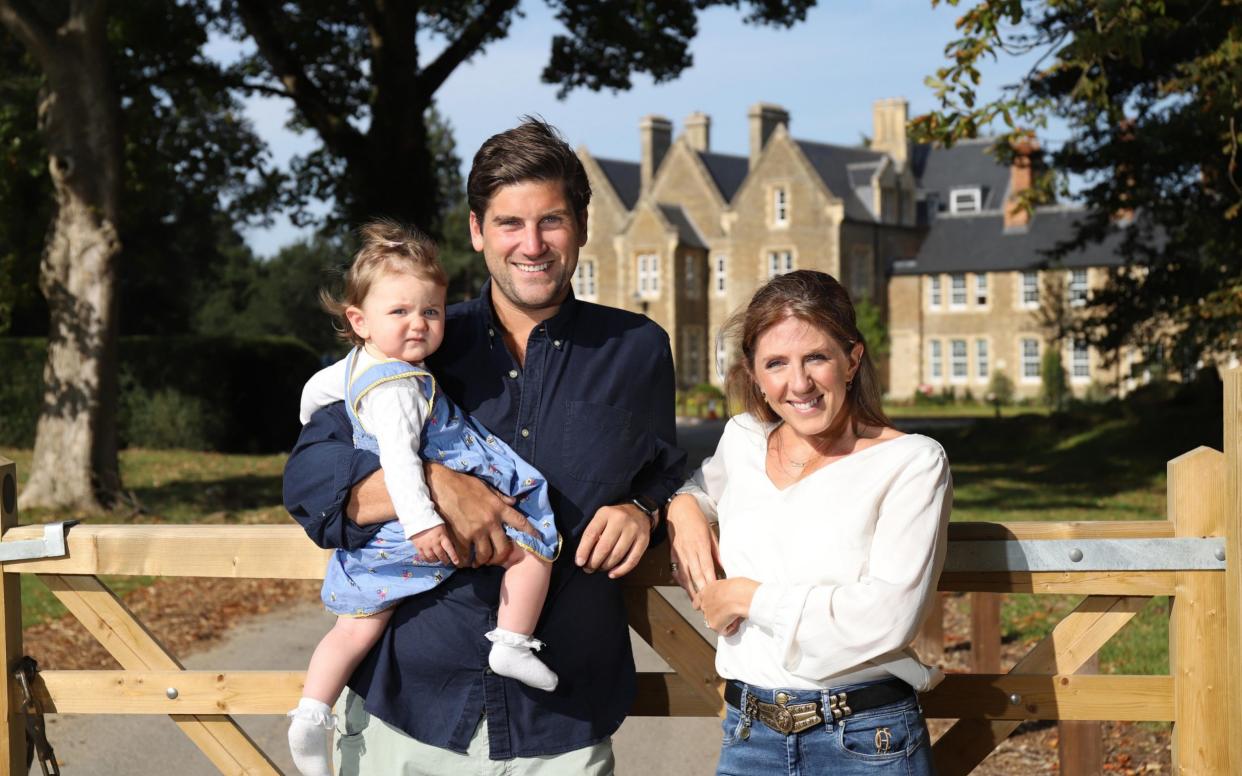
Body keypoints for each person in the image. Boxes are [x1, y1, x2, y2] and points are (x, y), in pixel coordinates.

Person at [282, 118, 686, 775]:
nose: (532, 245)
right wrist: (437, 485)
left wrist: (646, 508)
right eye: (509, 223)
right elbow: (310, 479)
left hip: (562, 720)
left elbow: (667, 472)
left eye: (551, 220)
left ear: (581, 225)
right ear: (476, 230)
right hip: (411, 711)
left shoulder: (637, 350)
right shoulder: (416, 336)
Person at [286, 220, 561, 776]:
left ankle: (311, 714)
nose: (419, 325)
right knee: (532, 544)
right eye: (401, 313)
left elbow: (318, 390)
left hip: (379, 544)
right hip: (418, 524)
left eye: (430, 312)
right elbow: (404, 465)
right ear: (359, 321)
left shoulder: (357, 368)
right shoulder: (402, 390)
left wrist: (307, 413)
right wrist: (423, 524)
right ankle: (511, 639)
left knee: (356, 625)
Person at [666, 270, 952, 775]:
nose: (798, 384)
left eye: (816, 358)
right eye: (776, 363)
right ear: (753, 373)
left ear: (852, 360)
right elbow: (699, 488)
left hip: (867, 739)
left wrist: (746, 597)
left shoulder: (912, 463)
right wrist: (684, 509)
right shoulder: (743, 441)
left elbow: (889, 616)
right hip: (748, 735)